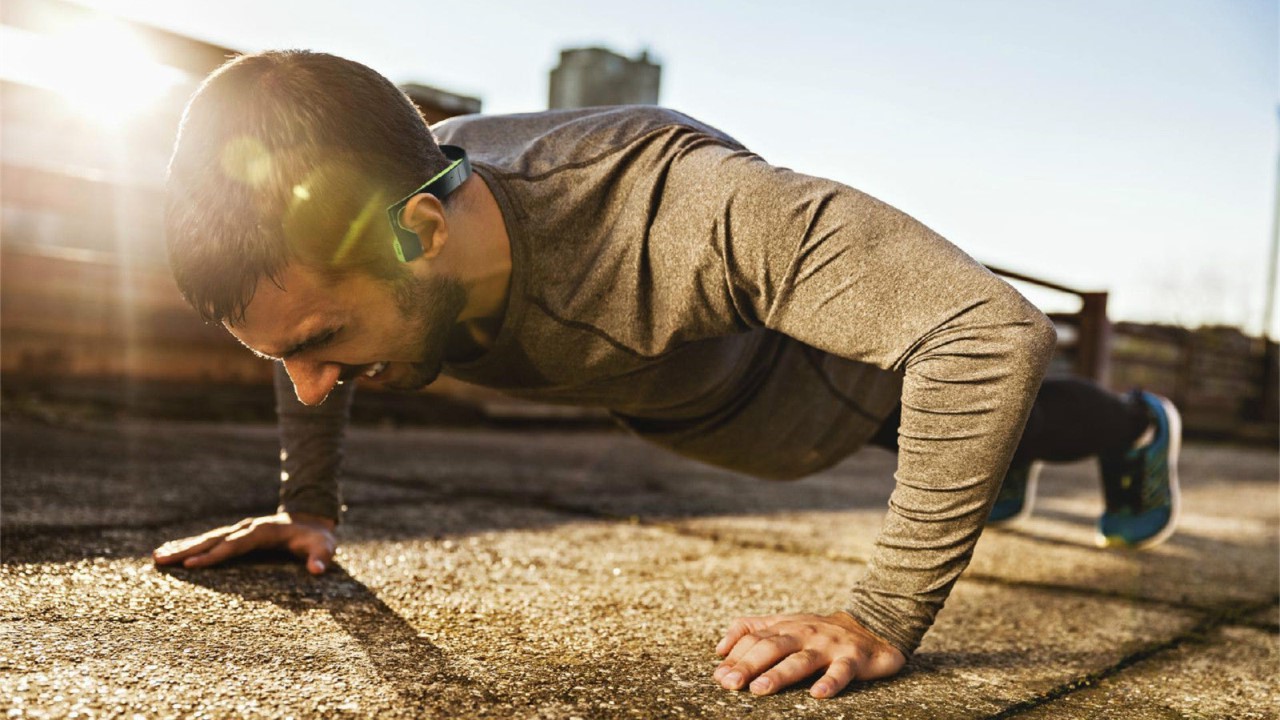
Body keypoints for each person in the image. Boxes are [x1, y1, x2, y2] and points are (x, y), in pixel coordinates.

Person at [152, 50, 1181, 699]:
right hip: (700, 402)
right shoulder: (364, 225)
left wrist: (878, 617)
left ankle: (1135, 426)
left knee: (1003, 407)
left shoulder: (678, 209)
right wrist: (308, 504)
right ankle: (986, 456)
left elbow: (983, 331)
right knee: (971, 430)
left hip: (822, 388)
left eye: (327, 342)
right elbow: (302, 330)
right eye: (282, 356)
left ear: (421, 231)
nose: (311, 385)